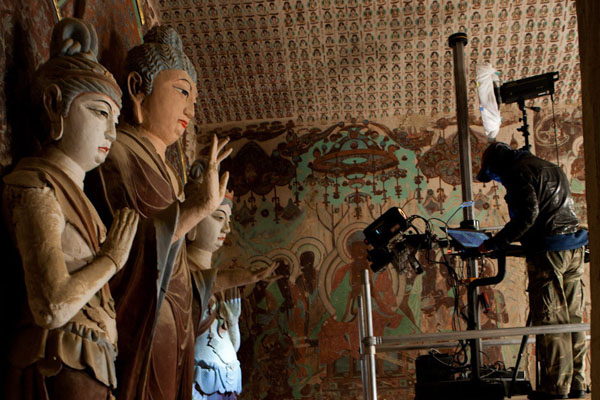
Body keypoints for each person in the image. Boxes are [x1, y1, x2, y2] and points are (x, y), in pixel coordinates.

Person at [84, 26, 231, 400]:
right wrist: (197, 209)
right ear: (137, 88)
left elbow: (177, 251)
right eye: (182, 91)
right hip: (146, 315)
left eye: (194, 98)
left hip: (175, 318)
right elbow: (128, 243)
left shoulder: (170, 173)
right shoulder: (117, 154)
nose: (190, 109)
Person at [2, 18, 139, 399]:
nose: (111, 133)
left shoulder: (90, 209)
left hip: (98, 365)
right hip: (59, 359)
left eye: (115, 120)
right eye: (99, 113)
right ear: (54, 103)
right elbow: (50, 306)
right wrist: (110, 260)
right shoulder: (35, 185)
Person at [476, 141, 588, 400]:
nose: (499, 181)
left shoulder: (517, 172)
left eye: (495, 176)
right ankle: (576, 384)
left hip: (549, 251)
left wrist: (493, 244)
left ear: (498, 167)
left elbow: (528, 215)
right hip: (574, 248)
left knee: (551, 319)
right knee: (573, 318)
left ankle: (554, 389)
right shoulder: (550, 167)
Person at [185, 160, 277, 400]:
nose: (227, 228)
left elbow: (232, 346)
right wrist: (246, 276)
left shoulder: (216, 285)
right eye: (218, 218)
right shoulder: (182, 273)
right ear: (191, 224)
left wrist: (233, 322)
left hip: (226, 380)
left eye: (228, 219)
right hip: (198, 379)